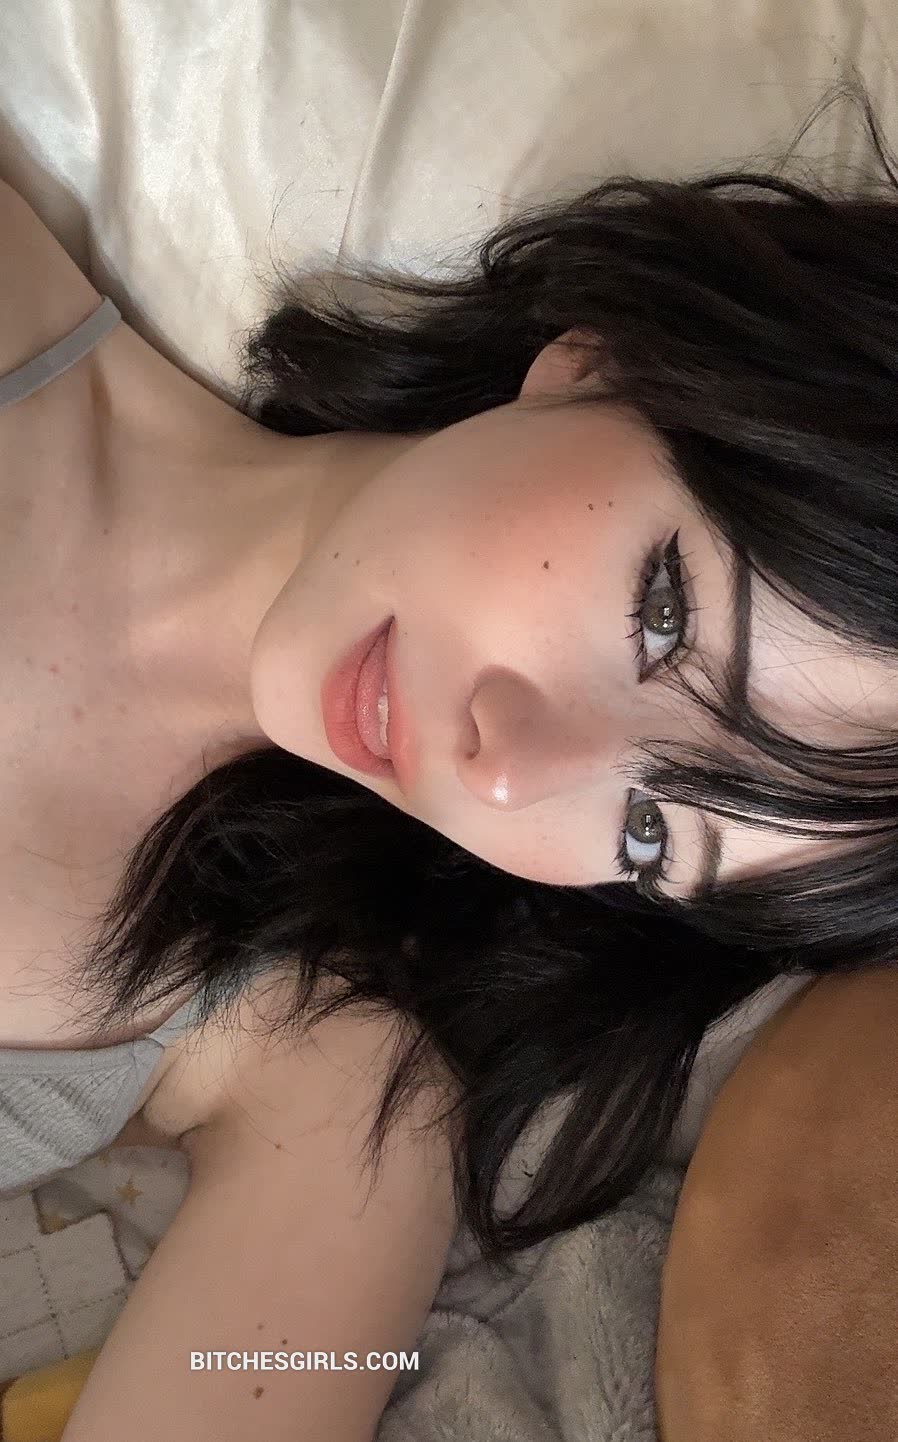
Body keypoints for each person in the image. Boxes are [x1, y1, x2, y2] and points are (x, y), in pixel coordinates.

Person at [0, 72, 896, 1438]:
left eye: (649, 831)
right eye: (662, 616)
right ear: (606, 358)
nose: (506, 768)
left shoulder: (342, 1087)